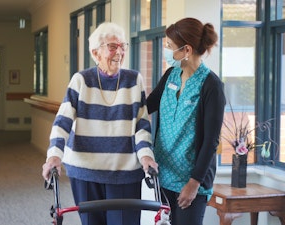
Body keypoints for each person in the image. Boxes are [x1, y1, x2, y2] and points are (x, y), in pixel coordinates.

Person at [42, 21, 158, 225]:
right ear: (95, 53)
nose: (120, 52)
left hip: (125, 171)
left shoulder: (134, 80)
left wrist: (146, 156)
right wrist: (53, 157)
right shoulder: (81, 80)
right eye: (113, 47)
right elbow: (63, 121)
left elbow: (141, 124)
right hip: (86, 169)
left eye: (123, 46)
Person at [146, 17, 226, 225]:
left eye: (169, 46)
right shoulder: (171, 75)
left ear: (187, 50)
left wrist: (194, 183)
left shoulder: (211, 86)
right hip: (163, 175)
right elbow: (147, 105)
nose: (166, 50)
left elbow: (211, 141)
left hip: (191, 180)